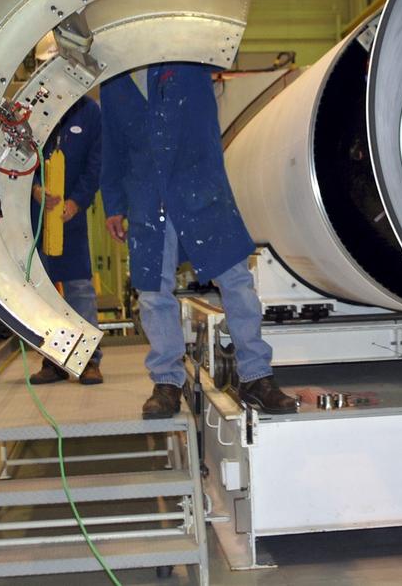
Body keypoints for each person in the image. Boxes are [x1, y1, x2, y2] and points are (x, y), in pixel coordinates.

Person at [100, 63, 297, 419]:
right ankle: (167, 382)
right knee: (153, 294)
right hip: (147, 199)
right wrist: (113, 204)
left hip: (200, 188)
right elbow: (111, 149)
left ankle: (256, 376)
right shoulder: (113, 84)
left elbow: (220, 45)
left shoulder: (187, 61)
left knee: (236, 283)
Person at [28, 94, 105, 385]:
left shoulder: (89, 112)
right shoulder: (30, 111)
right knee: (43, 291)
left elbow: (95, 164)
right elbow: (16, 161)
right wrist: (34, 190)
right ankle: (54, 360)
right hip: (35, 216)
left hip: (69, 215)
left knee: (79, 288)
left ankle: (88, 360)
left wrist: (77, 201)